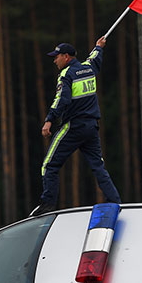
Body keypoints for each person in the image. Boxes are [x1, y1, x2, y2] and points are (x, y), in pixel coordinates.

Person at [29, 36, 121, 216]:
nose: (55, 60)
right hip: (92, 127)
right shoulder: (88, 68)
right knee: (98, 166)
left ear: (66, 57)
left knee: (49, 165)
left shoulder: (66, 75)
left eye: (57, 56)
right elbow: (94, 57)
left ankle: (47, 205)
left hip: (74, 126)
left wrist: (49, 120)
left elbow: (61, 99)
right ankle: (115, 201)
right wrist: (99, 47)